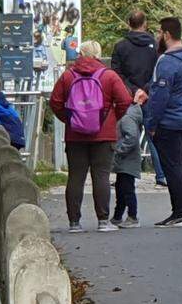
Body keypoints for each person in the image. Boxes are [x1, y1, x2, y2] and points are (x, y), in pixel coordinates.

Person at [50, 41, 132, 233]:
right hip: (104, 135)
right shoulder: (109, 76)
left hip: (75, 135)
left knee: (75, 177)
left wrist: (70, 119)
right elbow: (125, 100)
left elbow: (55, 102)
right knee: (101, 177)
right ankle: (103, 220)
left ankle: (74, 223)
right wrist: (111, 118)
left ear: (81, 54)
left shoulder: (68, 76)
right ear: (98, 54)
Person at [145, 17, 182, 227]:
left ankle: (179, 213)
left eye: (160, 32)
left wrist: (151, 124)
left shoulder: (168, 61)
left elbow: (160, 95)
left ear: (167, 34)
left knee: (172, 168)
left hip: (168, 121)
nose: (158, 36)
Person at [111, 10, 166, 187]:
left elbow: (116, 72)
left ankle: (123, 174)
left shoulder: (120, 46)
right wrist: (145, 89)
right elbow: (159, 70)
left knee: (127, 135)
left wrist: (130, 90)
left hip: (127, 97)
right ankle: (161, 175)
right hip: (150, 97)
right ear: (145, 23)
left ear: (129, 23)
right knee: (154, 136)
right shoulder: (155, 45)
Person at [111, 91, 146, 229]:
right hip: (125, 160)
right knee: (121, 188)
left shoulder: (127, 117)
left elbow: (131, 137)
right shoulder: (128, 114)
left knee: (126, 189)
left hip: (127, 160)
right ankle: (117, 216)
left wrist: (118, 150)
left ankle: (132, 216)